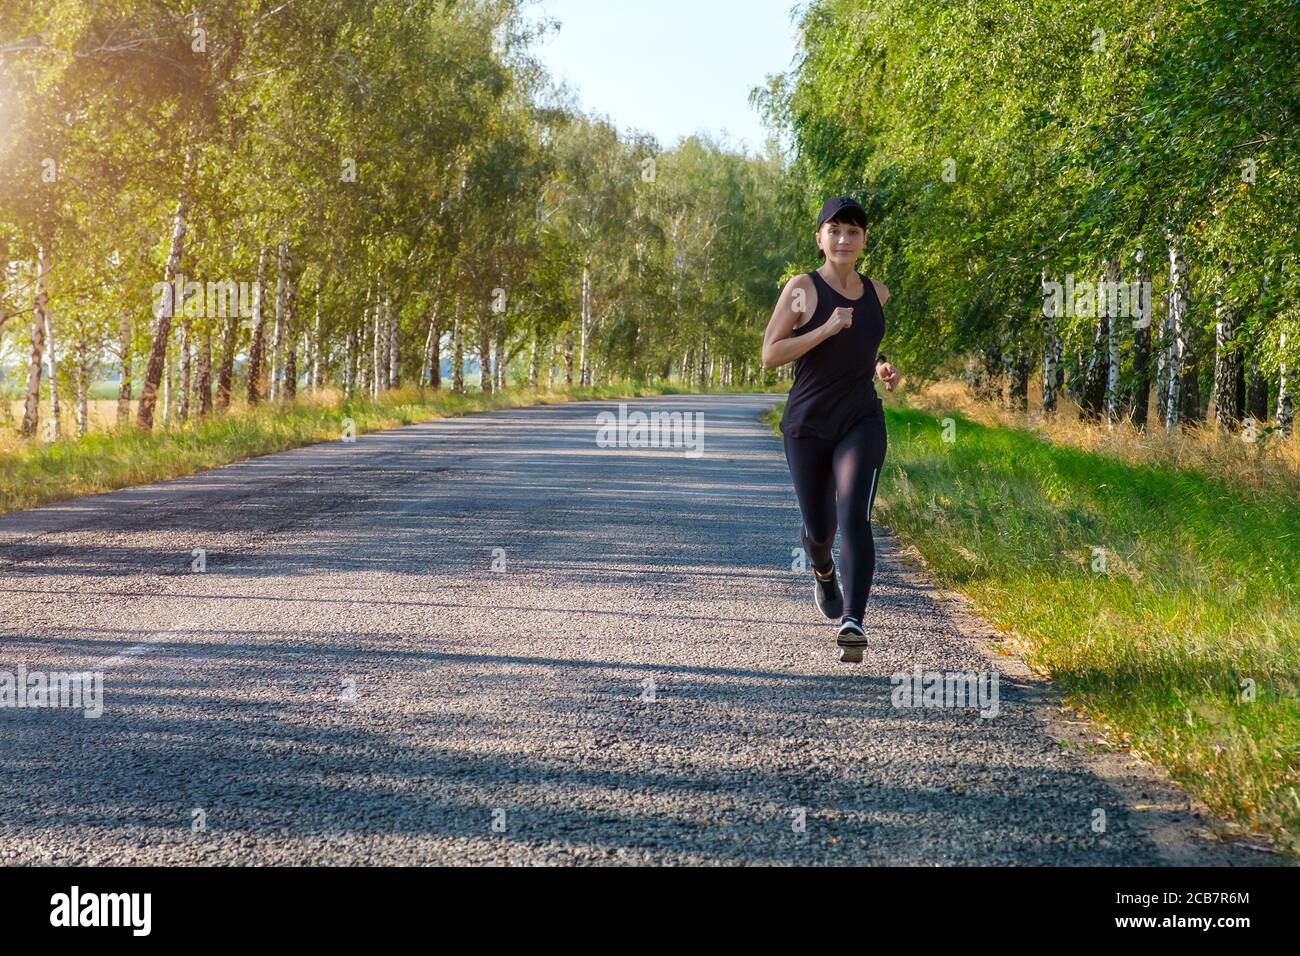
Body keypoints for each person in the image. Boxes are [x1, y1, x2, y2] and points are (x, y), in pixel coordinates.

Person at [761, 196, 899, 663]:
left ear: (864, 240)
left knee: (854, 515)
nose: (844, 239)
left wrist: (883, 367)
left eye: (854, 232)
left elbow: (866, 345)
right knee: (820, 530)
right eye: (835, 230)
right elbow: (770, 354)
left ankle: (854, 623)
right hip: (808, 424)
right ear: (819, 238)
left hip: (861, 418)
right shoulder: (802, 288)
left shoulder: (877, 292)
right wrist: (824, 331)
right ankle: (823, 571)